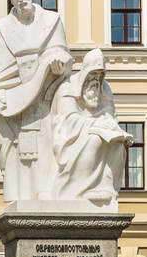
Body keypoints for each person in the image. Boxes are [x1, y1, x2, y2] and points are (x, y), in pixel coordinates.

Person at [0, 0, 72, 202]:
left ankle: (46, 190)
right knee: (18, 149)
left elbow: (62, 53)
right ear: (10, 0)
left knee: (46, 143)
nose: (21, 0)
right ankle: (21, 195)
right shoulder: (3, 29)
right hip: (16, 97)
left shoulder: (51, 21)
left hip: (45, 94)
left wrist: (58, 63)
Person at [51, 47, 133, 204]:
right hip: (70, 136)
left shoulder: (105, 90)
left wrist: (117, 130)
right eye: (93, 73)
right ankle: (81, 189)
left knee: (118, 143)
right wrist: (96, 125)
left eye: (100, 74)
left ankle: (107, 189)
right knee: (94, 139)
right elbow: (69, 119)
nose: (97, 78)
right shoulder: (68, 87)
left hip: (96, 131)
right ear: (85, 73)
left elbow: (110, 115)